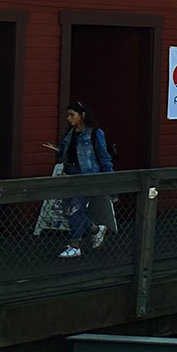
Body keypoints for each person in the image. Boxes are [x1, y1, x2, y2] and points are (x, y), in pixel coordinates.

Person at [43, 102, 114, 258]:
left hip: (87, 175)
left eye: (72, 115)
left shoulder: (95, 133)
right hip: (70, 173)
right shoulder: (70, 134)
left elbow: (103, 155)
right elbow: (66, 151)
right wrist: (56, 150)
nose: (69, 119)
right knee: (69, 209)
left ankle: (75, 245)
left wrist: (109, 176)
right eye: (68, 115)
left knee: (74, 208)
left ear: (82, 116)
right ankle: (95, 229)